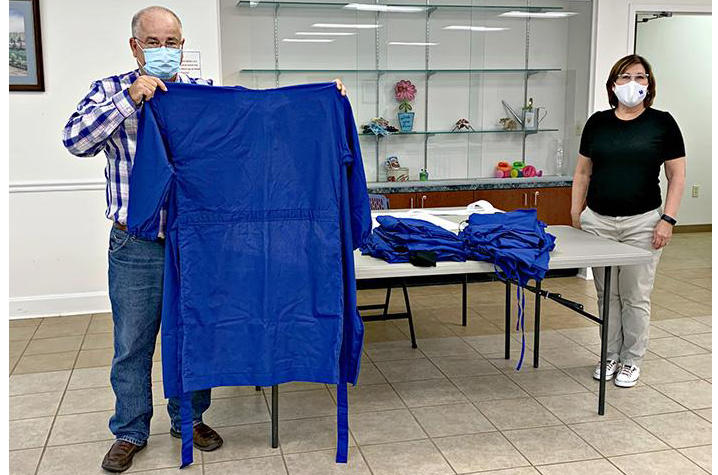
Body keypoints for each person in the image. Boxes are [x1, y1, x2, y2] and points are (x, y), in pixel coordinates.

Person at [62, 6, 348, 472]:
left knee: (199, 331)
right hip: (138, 245)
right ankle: (130, 430)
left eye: (172, 41)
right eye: (153, 43)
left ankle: (188, 420)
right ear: (135, 47)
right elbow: (74, 140)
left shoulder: (204, 94)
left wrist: (321, 103)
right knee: (132, 343)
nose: (164, 50)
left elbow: (261, 122)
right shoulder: (110, 90)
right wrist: (130, 99)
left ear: (182, 43)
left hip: (200, 246)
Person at [571, 54, 686, 388]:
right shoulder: (597, 123)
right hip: (599, 223)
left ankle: (631, 360)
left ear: (649, 84)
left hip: (643, 223)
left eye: (640, 76)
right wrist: (576, 213)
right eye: (625, 76)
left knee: (635, 295)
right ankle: (609, 356)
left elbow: (677, 176)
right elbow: (582, 171)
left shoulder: (662, 123)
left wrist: (668, 219)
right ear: (613, 84)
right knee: (607, 295)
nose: (632, 83)